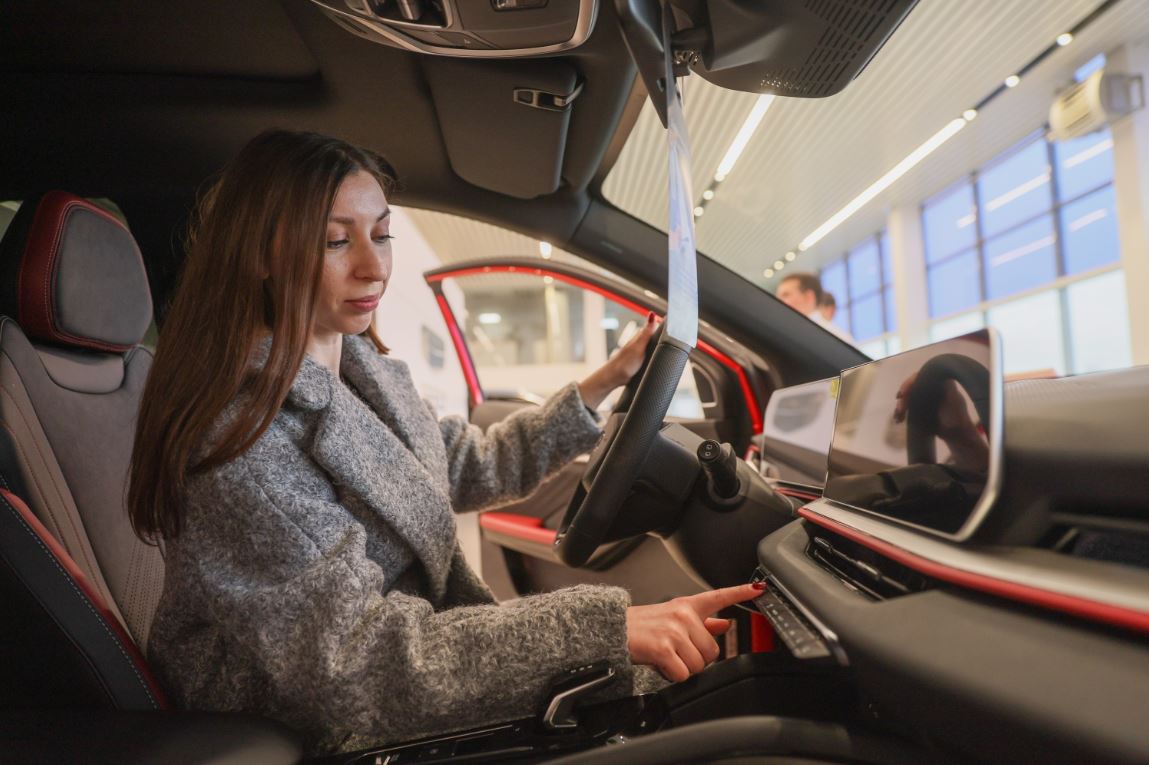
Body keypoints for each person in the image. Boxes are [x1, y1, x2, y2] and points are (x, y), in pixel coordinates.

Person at [128, 129, 763, 756]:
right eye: (335, 241)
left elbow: (461, 464)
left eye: (381, 234)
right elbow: (355, 663)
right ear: (259, 255)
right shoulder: (244, 443)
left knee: (697, 696)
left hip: (401, 671)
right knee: (689, 714)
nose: (374, 266)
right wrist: (605, 628)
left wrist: (606, 381)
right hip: (322, 725)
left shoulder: (362, 374)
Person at [775, 272, 854, 343]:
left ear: (808, 296)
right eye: (777, 296)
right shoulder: (786, 333)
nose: (778, 301)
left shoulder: (837, 337)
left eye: (785, 295)